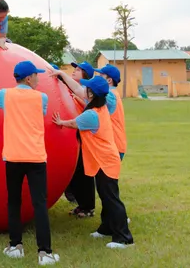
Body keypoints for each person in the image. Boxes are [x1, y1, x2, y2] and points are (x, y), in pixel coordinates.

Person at [0, 61, 60, 266]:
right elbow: (38, 114)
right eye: (36, 76)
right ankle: (45, 253)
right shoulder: (42, 97)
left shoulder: (5, 94)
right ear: (29, 78)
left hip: (13, 157)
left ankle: (15, 247)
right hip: (36, 157)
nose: (39, 79)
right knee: (39, 204)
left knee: (14, 202)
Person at [52, 76, 134, 249]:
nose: (84, 89)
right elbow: (78, 90)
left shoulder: (92, 114)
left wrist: (60, 122)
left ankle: (124, 237)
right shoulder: (100, 106)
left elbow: (74, 123)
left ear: (92, 93)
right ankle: (106, 228)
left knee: (112, 199)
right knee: (105, 196)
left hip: (106, 162)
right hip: (102, 161)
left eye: (87, 88)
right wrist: (62, 74)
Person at [60, 61, 98, 219]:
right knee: (74, 173)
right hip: (71, 137)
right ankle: (81, 204)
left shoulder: (87, 93)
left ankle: (88, 206)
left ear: (85, 76)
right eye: (75, 68)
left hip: (84, 139)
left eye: (78, 70)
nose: (74, 71)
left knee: (83, 173)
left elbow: (87, 112)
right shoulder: (67, 88)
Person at [95, 64, 127, 160]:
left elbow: (84, 94)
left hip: (114, 146)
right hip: (114, 145)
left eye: (101, 76)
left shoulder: (109, 95)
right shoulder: (112, 93)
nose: (98, 78)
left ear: (109, 80)